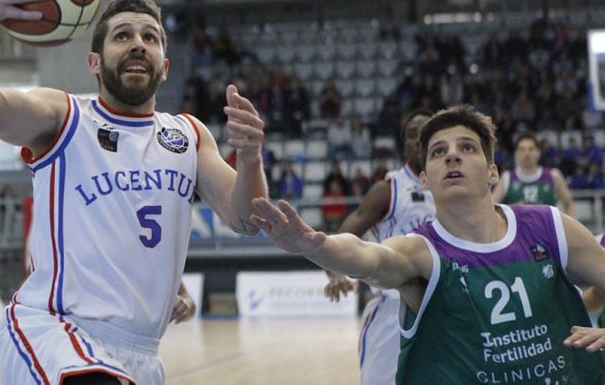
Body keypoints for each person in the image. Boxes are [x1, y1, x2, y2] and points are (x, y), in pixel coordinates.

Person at [0, 0, 267, 385]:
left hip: (141, 352)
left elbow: (248, 219)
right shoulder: (65, 115)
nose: (139, 43)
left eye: (151, 37)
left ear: (164, 67)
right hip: (56, 330)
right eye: (122, 35)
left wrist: (250, 157)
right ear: (94, 63)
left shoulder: (188, 136)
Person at [250, 104, 605, 384]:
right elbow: (369, 257)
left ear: (493, 171)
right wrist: (316, 246)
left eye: (467, 147)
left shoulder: (551, 225)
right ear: (424, 178)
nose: (453, 156)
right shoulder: (420, 250)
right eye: (438, 152)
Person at [323, 109, 435, 385]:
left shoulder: (454, 187)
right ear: (403, 143)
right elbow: (340, 240)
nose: (418, 142)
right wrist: (336, 273)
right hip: (393, 310)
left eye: (425, 136)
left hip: (442, 308)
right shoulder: (388, 189)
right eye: (412, 136)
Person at [491, 132, 576, 217]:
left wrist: (570, 228)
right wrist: (511, 209)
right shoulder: (507, 177)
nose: (527, 154)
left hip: (546, 229)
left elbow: (569, 204)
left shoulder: (553, 175)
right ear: (516, 154)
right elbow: (491, 207)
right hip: (517, 229)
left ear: (538, 152)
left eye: (531, 149)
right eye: (522, 149)